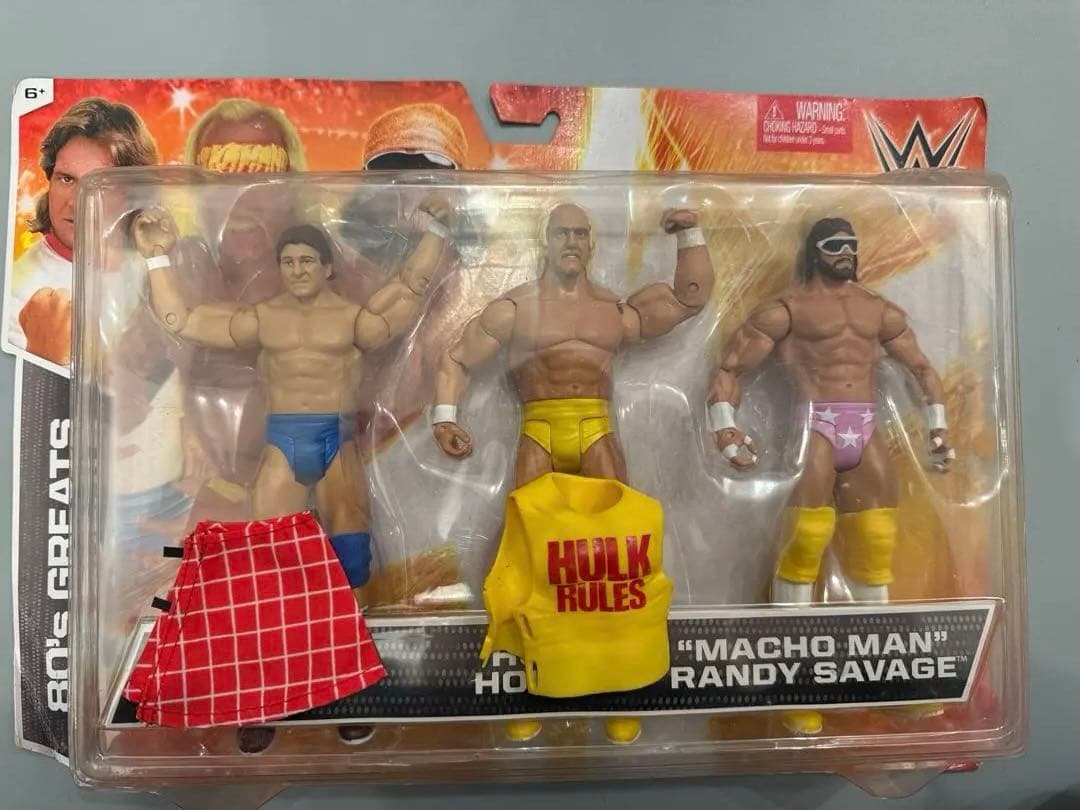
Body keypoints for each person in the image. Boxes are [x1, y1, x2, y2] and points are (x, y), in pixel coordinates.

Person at [432, 201, 715, 743]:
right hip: (539, 429)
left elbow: (689, 299)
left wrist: (690, 233)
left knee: (620, 558)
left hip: (596, 428)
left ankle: (623, 683)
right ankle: (523, 683)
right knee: (526, 556)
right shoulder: (515, 309)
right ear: (546, 240)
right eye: (561, 232)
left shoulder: (614, 311)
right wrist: (445, 418)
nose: (571, 241)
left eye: (580, 233)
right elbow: (457, 359)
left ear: (591, 243)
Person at [705, 217, 954, 736]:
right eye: (836, 245)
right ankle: (792, 684)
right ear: (815, 250)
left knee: (875, 546)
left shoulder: (877, 310)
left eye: (851, 245)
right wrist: (724, 426)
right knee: (802, 546)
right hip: (813, 425)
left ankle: (884, 680)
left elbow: (921, 369)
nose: (846, 253)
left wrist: (937, 424)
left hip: (865, 425)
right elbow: (731, 368)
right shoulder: (786, 309)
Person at [10, 97, 157, 364]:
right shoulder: (19, 293)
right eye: (66, 179)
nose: (76, 202)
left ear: (132, 193)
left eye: (99, 184)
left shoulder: (152, 265)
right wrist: (43, 355)